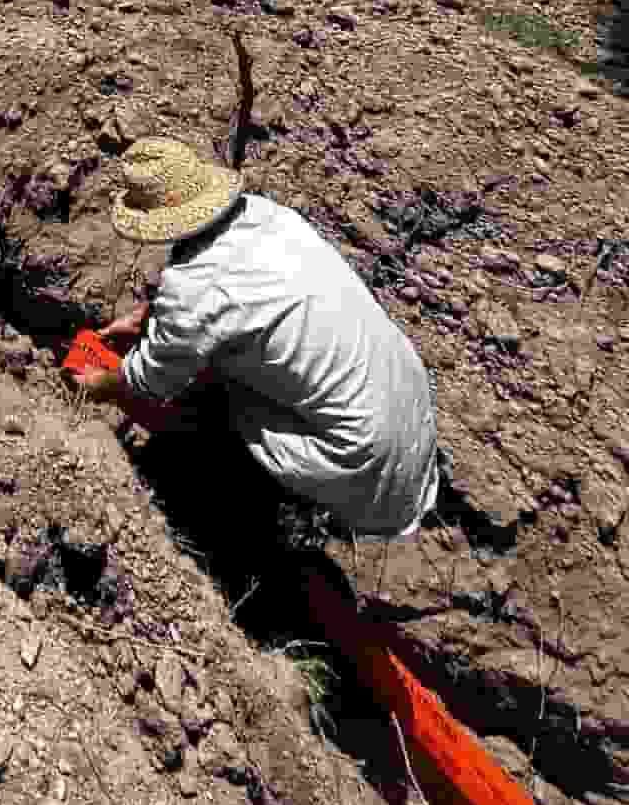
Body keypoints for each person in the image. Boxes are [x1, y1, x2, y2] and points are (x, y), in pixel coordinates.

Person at [74, 139, 441, 541]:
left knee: (221, 411)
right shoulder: (267, 215)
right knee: (229, 363)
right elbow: (236, 298)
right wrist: (154, 318)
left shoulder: (192, 291)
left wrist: (100, 383)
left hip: (359, 446)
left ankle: (249, 530)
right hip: (405, 388)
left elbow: (146, 383)